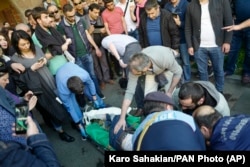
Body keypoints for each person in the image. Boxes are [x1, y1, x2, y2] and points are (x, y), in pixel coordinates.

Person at [11, 30, 75, 143]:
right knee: (51, 109)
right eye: (22, 45)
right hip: (39, 87)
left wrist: (45, 60)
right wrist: (31, 69)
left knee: (62, 101)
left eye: (27, 43)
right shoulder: (15, 60)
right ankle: (60, 131)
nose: (26, 46)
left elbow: (48, 63)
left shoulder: (35, 47)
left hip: (49, 79)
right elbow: (20, 80)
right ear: (16, 45)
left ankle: (72, 121)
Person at [114, 45, 182, 133]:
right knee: (149, 98)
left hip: (166, 66)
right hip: (151, 69)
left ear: (145, 69)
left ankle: (171, 121)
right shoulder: (134, 68)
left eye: (137, 74)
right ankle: (152, 121)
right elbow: (129, 92)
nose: (134, 75)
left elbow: (178, 72)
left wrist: (169, 91)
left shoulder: (165, 58)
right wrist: (122, 118)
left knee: (169, 97)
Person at [58, 3, 105, 99]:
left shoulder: (80, 20)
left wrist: (95, 47)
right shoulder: (61, 26)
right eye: (70, 16)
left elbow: (87, 35)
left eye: (74, 15)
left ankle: (98, 94)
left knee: (92, 75)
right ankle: (92, 97)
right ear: (64, 14)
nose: (72, 18)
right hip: (76, 57)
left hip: (87, 53)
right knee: (83, 78)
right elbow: (64, 43)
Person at [185, 0, 233, 93]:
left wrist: (227, 41)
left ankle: (220, 92)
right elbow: (188, 27)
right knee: (202, 72)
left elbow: (229, 22)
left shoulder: (222, 2)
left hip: (217, 44)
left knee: (219, 71)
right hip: (198, 46)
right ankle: (206, 92)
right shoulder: (191, 5)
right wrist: (190, 45)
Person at [132, 91, 206, 150]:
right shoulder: (185, 118)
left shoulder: (141, 128)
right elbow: (201, 142)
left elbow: (136, 146)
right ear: (168, 107)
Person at [56, 62, 106, 140]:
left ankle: (103, 108)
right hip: (61, 76)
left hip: (71, 68)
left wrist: (94, 97)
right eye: (80, 92)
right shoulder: (63, 92)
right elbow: (71, 108)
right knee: (74, 107)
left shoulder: (84, 76)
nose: (82, 93)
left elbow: (90, 83)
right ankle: (83, 124)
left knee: (90, 93)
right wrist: (79, 124)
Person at [0, 58, 37, 145]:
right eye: (4, 79)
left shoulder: (3, 91)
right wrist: (26, 109)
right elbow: (20, 130)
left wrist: (23, 99)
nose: (8, 82)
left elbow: (11, 103)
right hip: (20, 145)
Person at [223, 0, 250, 84]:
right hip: (236, 22)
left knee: (249, 51)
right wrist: (232, 14)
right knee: (232, 48)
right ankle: (229, 69)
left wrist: (239, 26)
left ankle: (247, 73)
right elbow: (231, 3)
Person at [164, 0, 191, 82]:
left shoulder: (186, 5)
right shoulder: (167, 6)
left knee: (185, 61)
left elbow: (190, 24)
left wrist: (179, 23)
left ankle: (186, 80)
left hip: (183, 37)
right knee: (172, 61)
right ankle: (175, 80)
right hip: (171, 38)